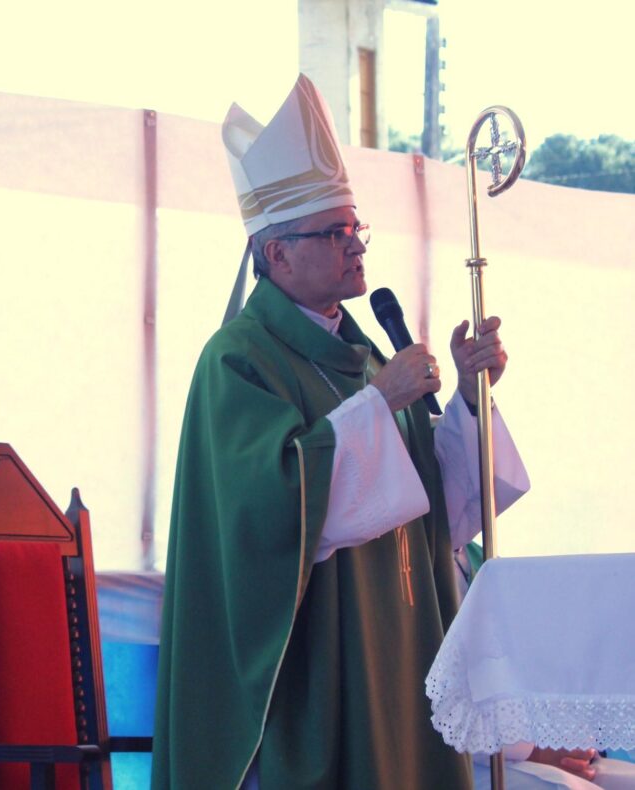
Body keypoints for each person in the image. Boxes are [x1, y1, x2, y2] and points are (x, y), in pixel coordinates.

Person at [151, 74, 531, 790]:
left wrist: (471, 400)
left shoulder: (365, 358)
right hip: (314, 670)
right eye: (334, 232)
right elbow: (266, 511)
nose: (356, 247)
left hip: (399, 651)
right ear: (276, 255)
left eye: (356, 229)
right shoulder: (237, 360)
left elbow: (441, 512)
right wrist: (378, 405)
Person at [455, 545, 635, 790]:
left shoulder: (481, 557)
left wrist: (565, 737)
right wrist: (536, 751)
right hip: (470, 759)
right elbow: (438, 705)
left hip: (539, 739)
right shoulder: (419, 570)